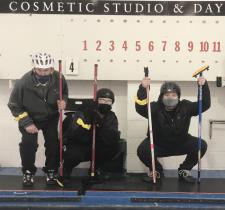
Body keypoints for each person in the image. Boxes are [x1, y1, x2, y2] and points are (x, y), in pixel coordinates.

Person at [8, 53, 68, 186]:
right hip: (30, 118)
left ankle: (51, 170)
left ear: (51, 69)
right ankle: (28, 172)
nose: (42, 73)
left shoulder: (59, 78)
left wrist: (64, 102)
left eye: (46, 70)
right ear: (34, 68)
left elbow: (64, 93)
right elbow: (13, 104)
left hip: (51, 117)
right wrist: (27, 123)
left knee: (53, 143)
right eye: (39, 70)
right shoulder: (24, 81)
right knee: (28, 144)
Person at [135, 76, 210, 183]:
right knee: (142, 150)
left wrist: (203, 86)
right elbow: (140, 107)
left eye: (174, 95)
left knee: (201, 145)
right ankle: (157, 171)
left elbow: (205, 104)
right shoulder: (154, 108)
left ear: (178, 96)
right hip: (158, 145)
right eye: (167, 95)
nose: (170, 98)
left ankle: (184, 170)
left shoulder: (186, 106)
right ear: (162, 96)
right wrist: (143, 88)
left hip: (181, 143)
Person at [63, 88, 120, 182]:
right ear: (97, 100)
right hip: (81, 144)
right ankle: (66, 170)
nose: (105, 103)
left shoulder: (111, 116)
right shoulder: (84, 112)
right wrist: (88, 121)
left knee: (113, 148)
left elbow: (112, 139)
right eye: (102, 100)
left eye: (108, 101)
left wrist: (100, 124)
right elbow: (74, 135)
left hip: (98, 146)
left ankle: (96, 169)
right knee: (73, 153)